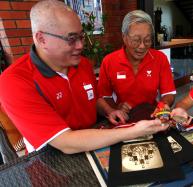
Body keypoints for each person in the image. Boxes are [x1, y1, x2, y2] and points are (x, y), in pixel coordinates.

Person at [0, 0, 168, 154]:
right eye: (71, 39)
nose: (80, 45)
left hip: (96, 140)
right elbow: (65, 142)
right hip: (52, 158)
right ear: (41, 39)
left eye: (81, 36)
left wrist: (109, 111)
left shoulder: (83, 64)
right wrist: (134, 131)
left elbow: (93, 100)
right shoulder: (14, 81)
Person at [97, 10, 176, 123]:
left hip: (152, 117)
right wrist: (115, 108)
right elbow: (104, 97)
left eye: (147, 40)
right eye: (136, 40)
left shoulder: (160, 58)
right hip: (123, 120)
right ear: (124, 37)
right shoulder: (109, 61)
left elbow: (168, 93)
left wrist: (163, 105)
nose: (142, 46)